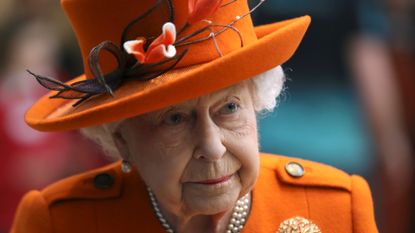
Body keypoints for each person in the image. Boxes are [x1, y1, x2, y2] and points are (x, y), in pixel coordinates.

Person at [10, 0, 378, 232]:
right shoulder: (59, 223)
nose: (212, 147)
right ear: (121, 139)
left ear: (257, 101)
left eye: (229, 108)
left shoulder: (337, 210)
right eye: (175, 119)